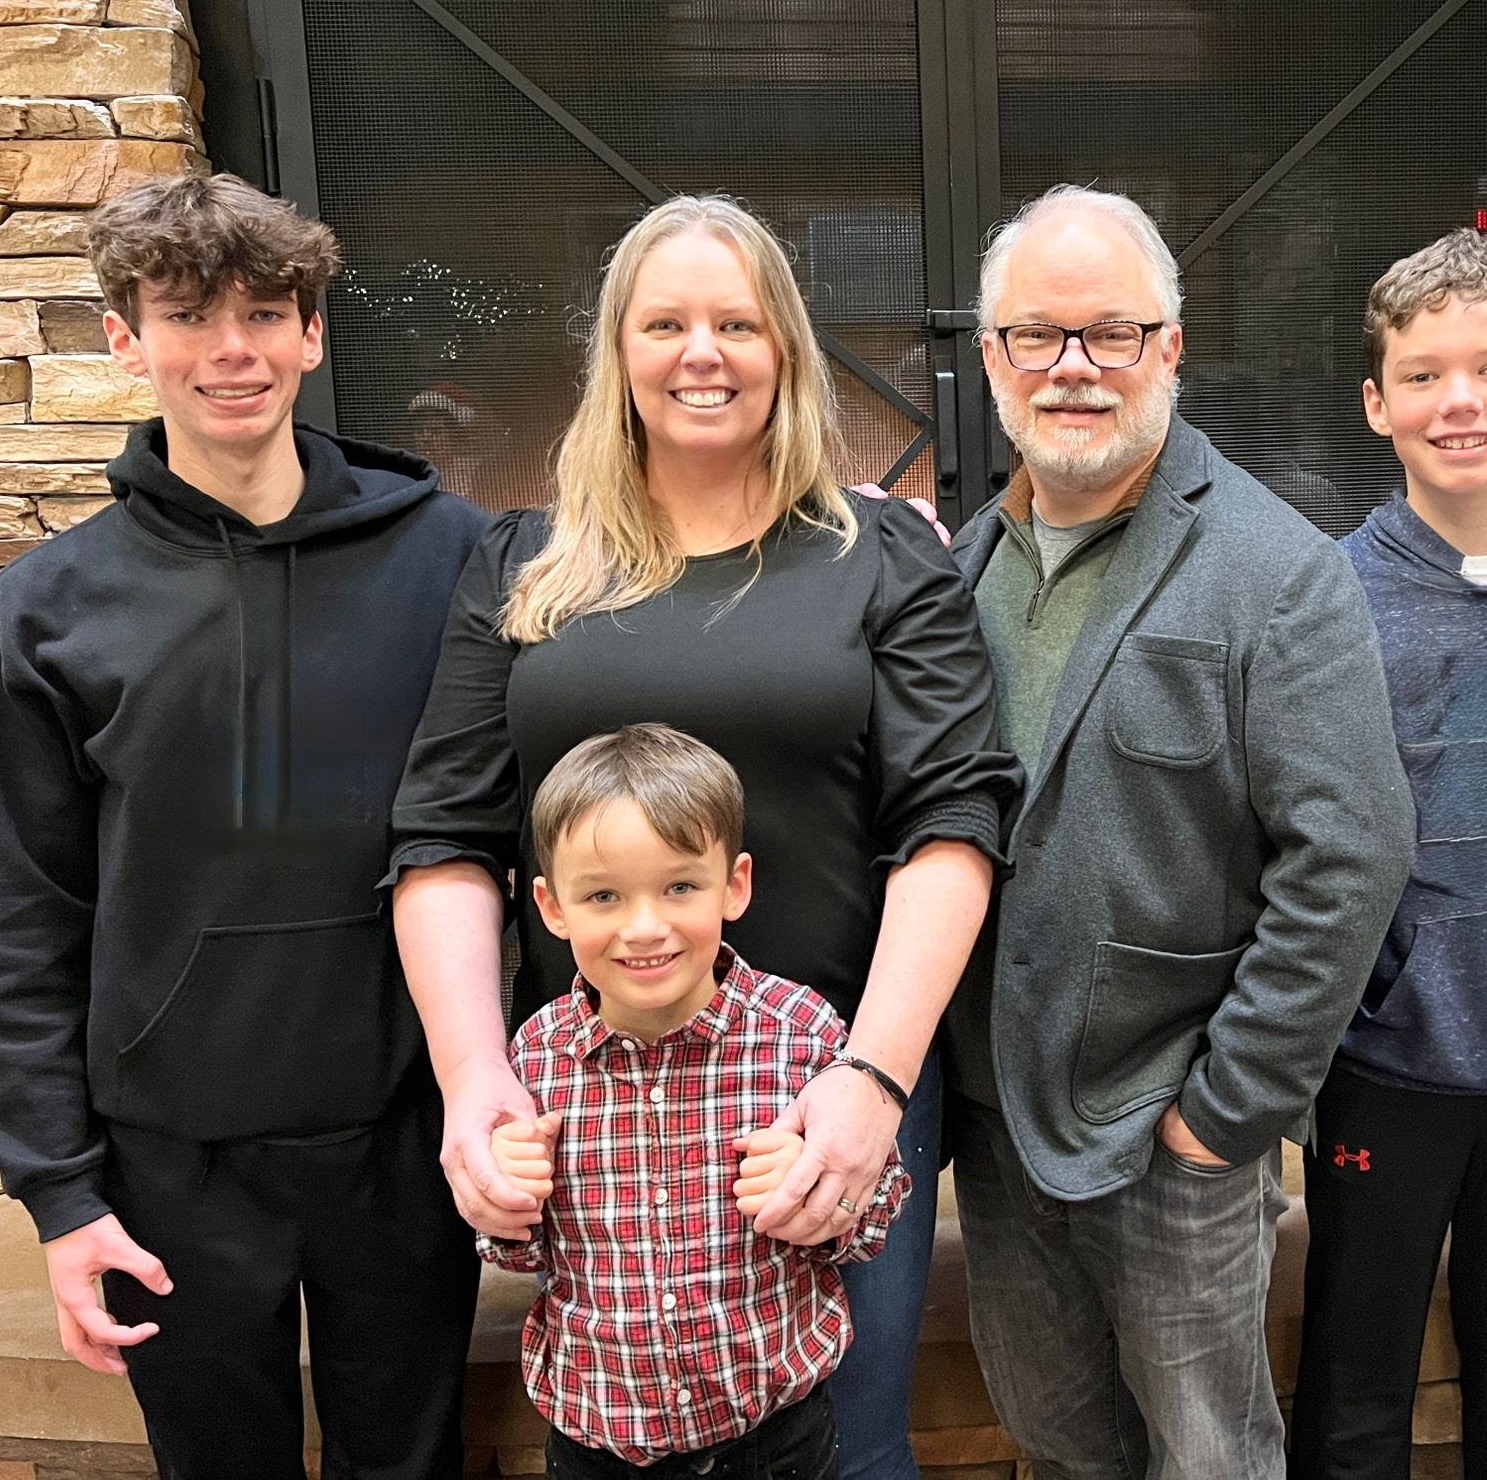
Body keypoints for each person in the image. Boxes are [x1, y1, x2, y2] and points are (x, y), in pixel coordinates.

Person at [387, 194, 1020, 1480]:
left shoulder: (879, 555)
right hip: (591, 1097)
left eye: (736, 322)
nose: (701, 353)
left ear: (783, 346)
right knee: (622, 1443)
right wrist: (472, 1077)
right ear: (616, 353)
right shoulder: (526, 564)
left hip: (827, 1089)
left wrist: (874, 1083)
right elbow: (444, 835)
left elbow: (953, 818)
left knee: (844, 1451)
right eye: (664, 322)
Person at [0, 174, 493, 1478]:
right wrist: (60, 1194)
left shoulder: (450, 556)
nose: (232, 350)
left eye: (265, 313)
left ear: (312, 333)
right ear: (124, 338)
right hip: (168, 1162)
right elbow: (18, 916)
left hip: (401, 1139)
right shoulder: (48, 609)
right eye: (187, 314)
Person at [943, 184, 1414, 1480]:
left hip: (1172, 1131)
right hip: (996, 1124)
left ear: (1171, 347)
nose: (1073, 366)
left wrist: (1227, 1111)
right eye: (1036, 335)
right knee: (1057, 1445)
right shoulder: (960, 572)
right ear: (990, 357)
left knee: (1211, 1460)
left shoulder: (1274, 569)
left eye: (1113, 332)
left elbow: (1352, 855)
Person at [1288, 230, 1487, 1480]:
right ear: (1376, 405)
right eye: (1422, 376)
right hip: (1385, 1059)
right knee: (1352, 1386)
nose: (1458, 402)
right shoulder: (1327, 594)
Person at [479, 723, 907, 1479]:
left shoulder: (801, 1034)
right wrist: (508, 1199)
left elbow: (872, 1223)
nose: (645, 927)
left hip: (776, 1441)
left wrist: (821, 1197)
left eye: (679, 886)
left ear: (734, 885)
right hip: (597, 1445)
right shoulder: (534, 1058)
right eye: (603, 895)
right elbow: (519, 1253)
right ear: (551, 906)